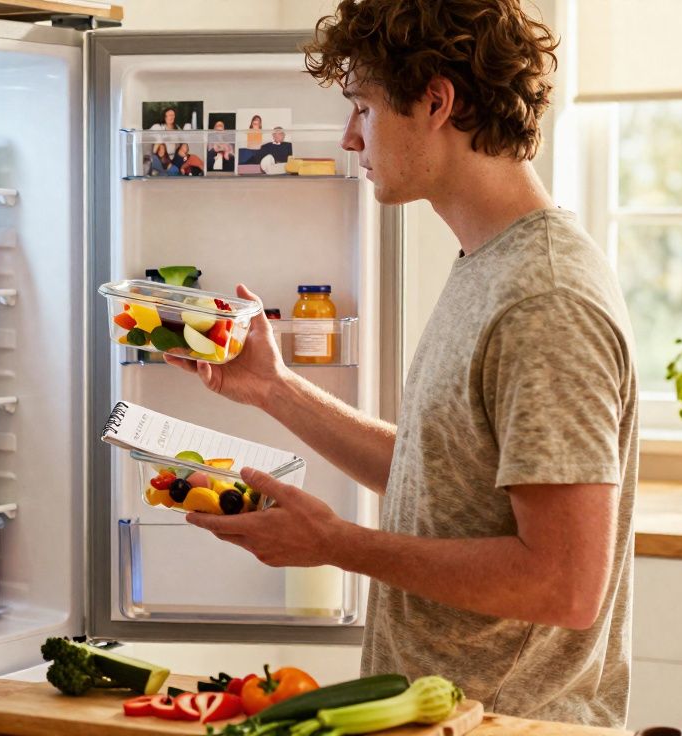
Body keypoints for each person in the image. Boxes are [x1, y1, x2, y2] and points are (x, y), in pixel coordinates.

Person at [166, 0, 636, 729]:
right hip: (437, 712)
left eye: (364, 106)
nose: (351, 135)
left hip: (504, 721)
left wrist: (335, 545)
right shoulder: (491, 263)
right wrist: (275, 390)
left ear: (436, 102)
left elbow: (563, 584)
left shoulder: (543, 299)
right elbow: (444, 481)